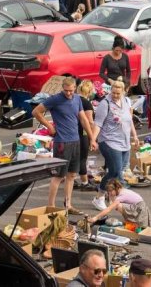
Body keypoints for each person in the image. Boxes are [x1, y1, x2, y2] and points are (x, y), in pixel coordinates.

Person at [32, 76, 93, 214]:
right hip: (62, 142)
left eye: (71, 91)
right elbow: (36, 112)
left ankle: (68, 205)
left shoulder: (77, 99)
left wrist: (91, 138)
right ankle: (51, 206)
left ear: (75, 89)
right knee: (59, 176)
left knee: (71, 175)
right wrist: (49, 126)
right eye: (66, 91)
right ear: (62, 88)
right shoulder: (55, 99)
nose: (68, 94)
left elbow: (83, 119)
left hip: (75, 140)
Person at [89, 79, 139, 211]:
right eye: (113, 92)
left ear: (123, 92)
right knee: (115, 170)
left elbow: (129, 121)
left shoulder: (127, 101)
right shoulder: (105, 104)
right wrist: (93, 139)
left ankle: (116, 196)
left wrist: (135, 135)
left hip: (124, 142)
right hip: (109, 141)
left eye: (118, 93)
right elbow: (98, 123)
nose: (115, 95)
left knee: (118, 171)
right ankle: (99, 196)